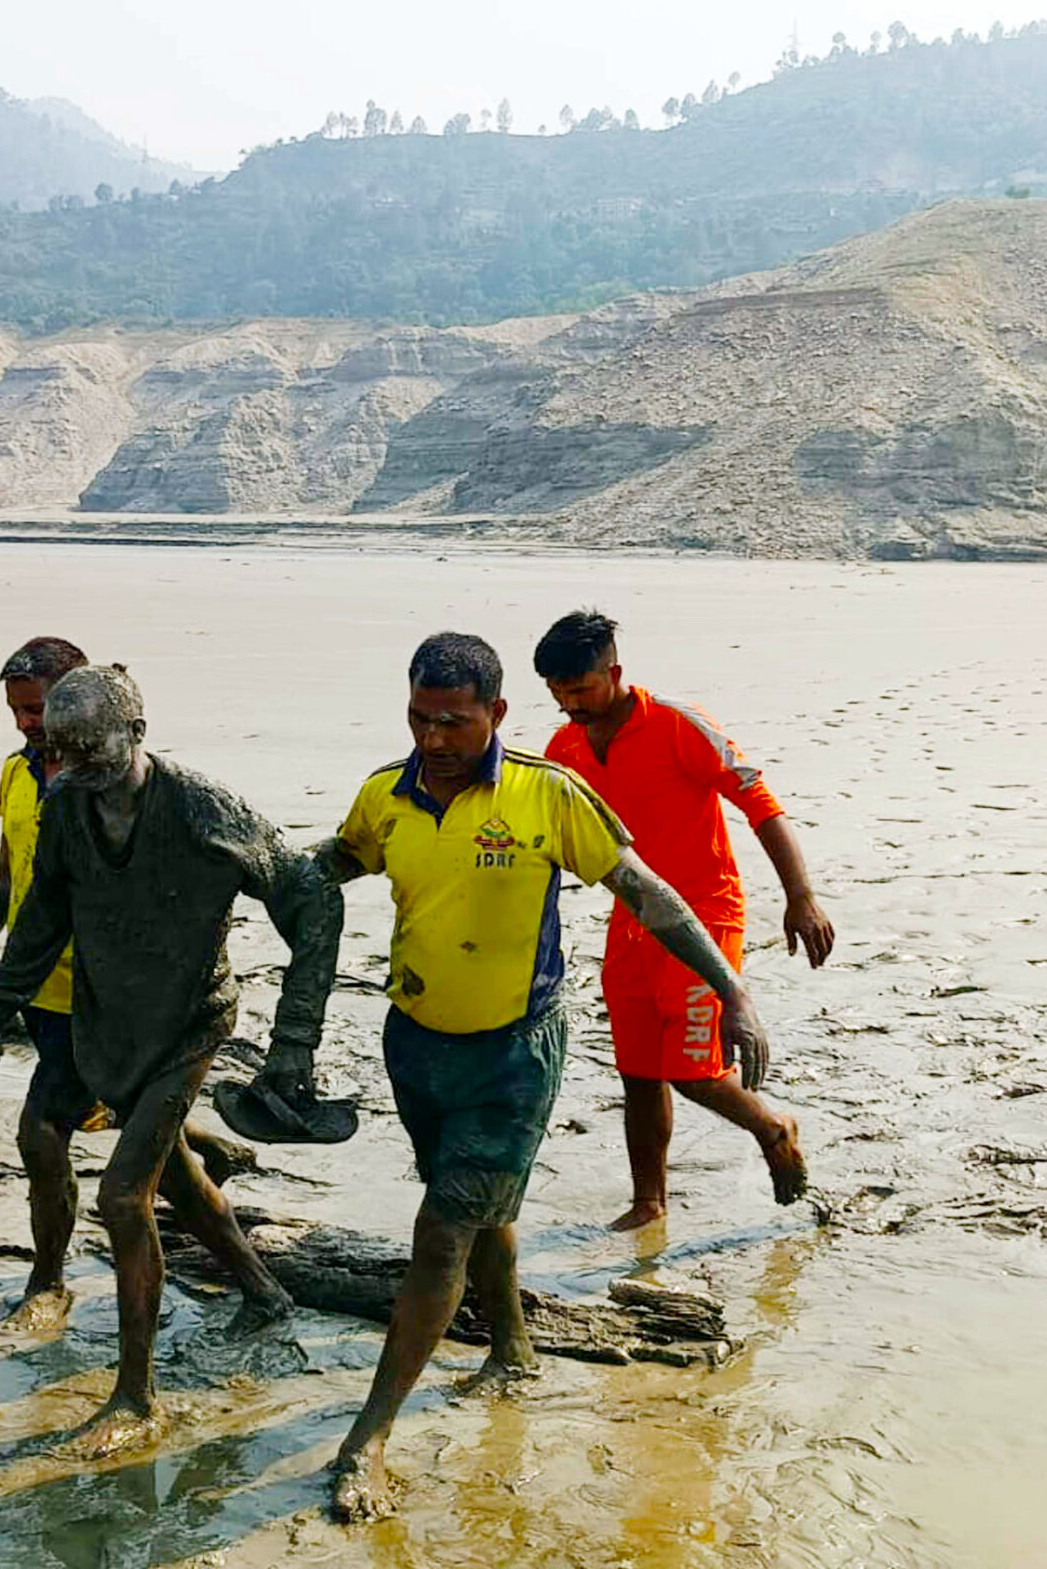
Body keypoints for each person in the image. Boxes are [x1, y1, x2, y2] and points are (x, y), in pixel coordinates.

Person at [318, 631, 773, 1522]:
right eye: (419, 718)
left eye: (454, 721)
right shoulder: (386, 794)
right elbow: (340, 861)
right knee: (480, 1205)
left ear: (496, 713)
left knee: (442, 1231)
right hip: (415, 1041)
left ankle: (366, 1437)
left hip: (514, 1051)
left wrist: (733, 993)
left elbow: (650, 894)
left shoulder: (546, 794)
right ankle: (513, 1348)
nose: (435, 738)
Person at [0, 664, 340, 1457]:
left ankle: (136, 1396)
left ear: (137, 734)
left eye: (91, 754)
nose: (72, 773)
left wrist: (293, 1043)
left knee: (125, 1194)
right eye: (61, 756)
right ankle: (264, 1291)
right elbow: (44, 914)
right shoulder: (67, 803)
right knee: (162, 1167)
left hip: (187, 1028)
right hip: (108, 1026)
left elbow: (312, 899)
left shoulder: (206, 811)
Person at [535, 608, 832, 1232]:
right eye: (557, 694)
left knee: (691, 1069)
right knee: (638, 1070)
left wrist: (800, 896)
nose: (570, 706)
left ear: (613, 672)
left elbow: (761, 805)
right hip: (632, 920)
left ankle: (773, 1126)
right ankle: (650, 1203)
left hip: (706, 915)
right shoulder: (564, 748)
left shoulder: (678, 725)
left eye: (580, 690)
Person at [0, 635, 99, 1333]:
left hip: (106, 993)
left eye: (35, 710)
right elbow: (7, 871)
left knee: (41, 1134)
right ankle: (256, 1284)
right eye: (16, 711)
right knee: (156, 1155)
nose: (25, 724)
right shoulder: (17, 774)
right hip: (39, 990)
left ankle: (49, 1279)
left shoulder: (113, 781)